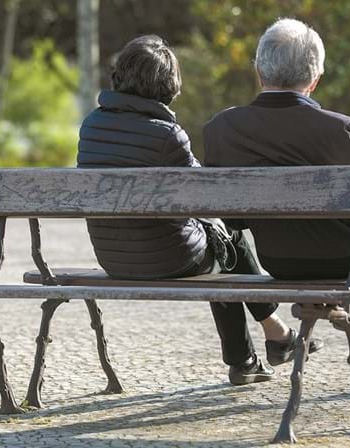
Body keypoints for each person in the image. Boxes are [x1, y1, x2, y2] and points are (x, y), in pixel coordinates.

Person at [78, 34, 322, 385]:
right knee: (226, 240)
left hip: (113, 256)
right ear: (168, 85)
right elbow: (209, 197)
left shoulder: (90, 126)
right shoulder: (167, 136)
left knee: (217, 243)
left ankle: (257, 351)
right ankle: (268, 339)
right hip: (165, 258)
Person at [203, 18, 350, 393]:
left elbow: (233, 219)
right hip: (348, 265)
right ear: (315, 78)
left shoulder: (222, 129)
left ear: (258, 72)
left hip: (279, 260)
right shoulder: (339, 129)